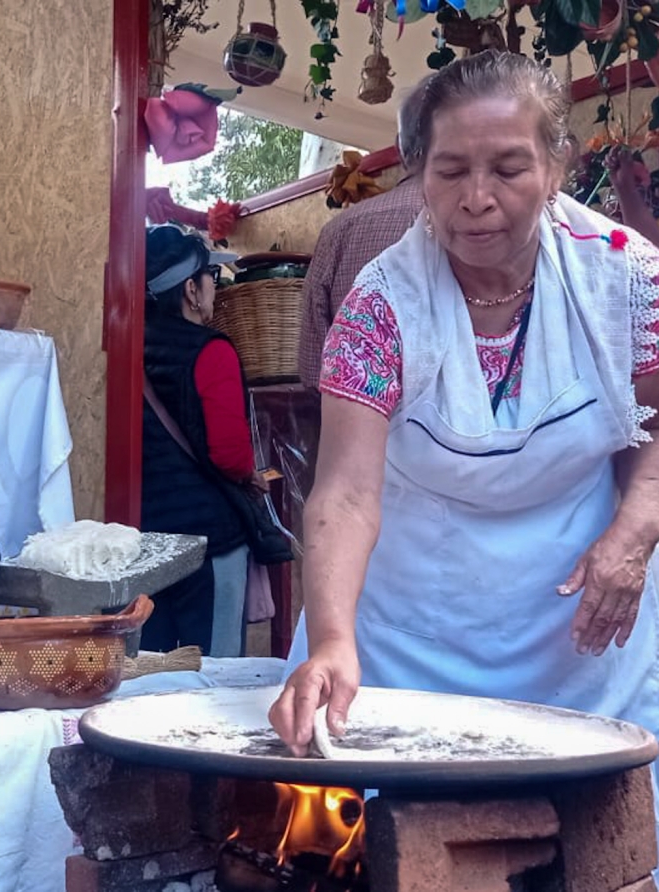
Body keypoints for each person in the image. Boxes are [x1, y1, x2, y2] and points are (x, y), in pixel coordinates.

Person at [269, 49, 659, 801]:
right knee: (385, 825)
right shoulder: (381, 304)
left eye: (509, 169)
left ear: (556, 169)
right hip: (409, 634)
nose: (476, 198)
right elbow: (346, 493)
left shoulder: (628, 277)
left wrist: (634, 534)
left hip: (579, 629)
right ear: (419, 173)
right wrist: (332, 642)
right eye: (450, 171)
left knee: (592, 831)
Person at [140, 225, 291, 657]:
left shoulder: (130, 347)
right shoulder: (212, 351)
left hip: (145, 539)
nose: (216, 290)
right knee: (213, 675)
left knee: (150, 672)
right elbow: (229, 453)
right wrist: (251, 475)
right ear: (191, 289)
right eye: (213, 279)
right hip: (209, 541)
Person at [296, 85, 428, 391]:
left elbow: (312, 366)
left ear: (400, 146)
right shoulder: (485, 226)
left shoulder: (340, 229)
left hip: (355, 424)